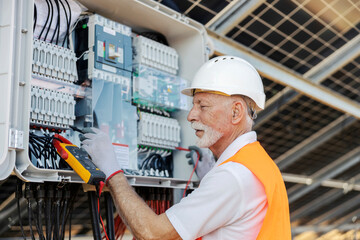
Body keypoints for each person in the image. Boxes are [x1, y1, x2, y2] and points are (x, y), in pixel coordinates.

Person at [82, 56, 291, 240]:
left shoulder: (232, 176)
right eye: (193, 105)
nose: (191, 115)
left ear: (236, 113)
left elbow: (153, 234)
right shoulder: (259, 165)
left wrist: (113, 173)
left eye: (203, 106)